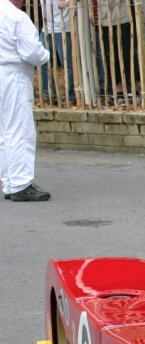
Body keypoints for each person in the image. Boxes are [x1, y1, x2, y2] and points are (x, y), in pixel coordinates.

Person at [1, 0, 51, 201]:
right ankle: (20, 183)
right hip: (13, 75)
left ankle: (9, 180)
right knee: (19, 129)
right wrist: (45, 54)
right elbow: (32, 52)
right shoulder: (17, 17)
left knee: (4, 131)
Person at [39, 0, 75, 105]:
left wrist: (67, 1)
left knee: (67, 64)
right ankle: (49, 93)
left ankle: (71, 95)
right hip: (46, 27)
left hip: (63, 26)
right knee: (41, 60)